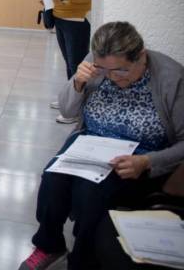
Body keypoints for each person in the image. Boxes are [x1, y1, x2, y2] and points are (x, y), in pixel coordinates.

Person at [18, 22, 184, 270]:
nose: (113, 78)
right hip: (90, 142)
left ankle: (82, 260)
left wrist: (148, 162)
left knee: (90, 194)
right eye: (104, 71)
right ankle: (49, 244)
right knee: (53, 178)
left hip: (139, 154)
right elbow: (67, 110)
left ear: (141, 57)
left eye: (121, 71)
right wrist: (78, 83)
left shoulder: (171, 78)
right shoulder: (96, 63)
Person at [47, 0, 93, 124]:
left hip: (76, 20)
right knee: (69, 63)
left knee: (77, 65)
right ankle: (69, 98)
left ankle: (76, 109)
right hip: (61, 17)